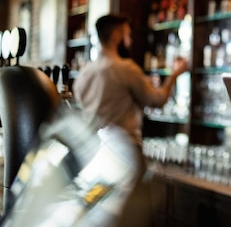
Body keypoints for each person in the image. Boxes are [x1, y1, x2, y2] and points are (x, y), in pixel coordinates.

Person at [73, 13, 188, 145]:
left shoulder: (84, 73)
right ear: (116, 36)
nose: (130, 41)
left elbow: (110, 93)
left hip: (96, 148)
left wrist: (142, 82)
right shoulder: (126, 69)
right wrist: (174, 75)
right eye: (127, 35)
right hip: (125, 149)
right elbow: (158, 100)